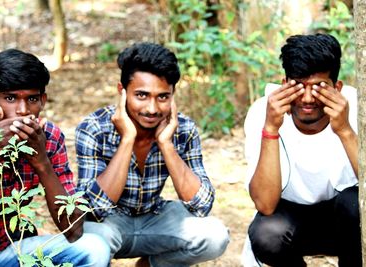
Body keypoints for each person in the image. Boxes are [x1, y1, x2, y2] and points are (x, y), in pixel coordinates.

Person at [76, 42, 229, 267]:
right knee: (89, 241)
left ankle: (150, 265)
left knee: (215, 236)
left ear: (173, 94)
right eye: (141, 95)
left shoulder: (183, 129)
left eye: (163, 97)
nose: (152, 108)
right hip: (109, 225)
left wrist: (166, 144)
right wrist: (127, 139)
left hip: (154, 217)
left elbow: (202, 205)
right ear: (122, 91)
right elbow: (95, 209)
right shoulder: (95, 128)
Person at [0, 49, 110, 267]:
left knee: (94, 249)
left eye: (32, 99)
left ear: (43, 100)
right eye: (10, 98)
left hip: (7, 252)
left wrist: (41, 161)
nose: (23, 111)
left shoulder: (48, 138)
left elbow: (74, 231)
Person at [243, 33, 359, 266]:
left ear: (337, 87)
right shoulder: (262, 112)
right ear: (285, 84)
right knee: (268, 233)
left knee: (355, 205)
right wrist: (271, 128)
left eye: (319, 87)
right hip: (289, 220)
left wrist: (345, 130)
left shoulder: (356, 106)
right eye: (298, 86)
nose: (307, 98)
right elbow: (265, 205)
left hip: (344, 220)